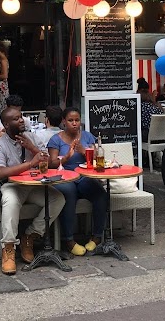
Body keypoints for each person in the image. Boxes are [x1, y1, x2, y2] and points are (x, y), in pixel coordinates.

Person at [0, 106, 64, 275]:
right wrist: (30, 164)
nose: (21, 120)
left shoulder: (32, 138)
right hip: (11, 186)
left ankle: (30, 236)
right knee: (10, 202)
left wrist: (32, 148)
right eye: (16, 119)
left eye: (21, 116)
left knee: (58, 198)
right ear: (6, 125)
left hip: (33, 185)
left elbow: (50, 163)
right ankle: (8, 248)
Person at [47, 107, 107, 256]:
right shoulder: (56, 139)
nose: (74, 123)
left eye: (77, 120)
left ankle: (97, 236)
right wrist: (66, 157)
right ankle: (69, 240)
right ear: (63, 121)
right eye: (70, 120)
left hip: (84, 177)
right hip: (65, 178)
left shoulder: (87, 136)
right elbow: (52, 164)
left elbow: (98, 158)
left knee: (100, 192)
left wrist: (83, 151)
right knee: (70, 192)